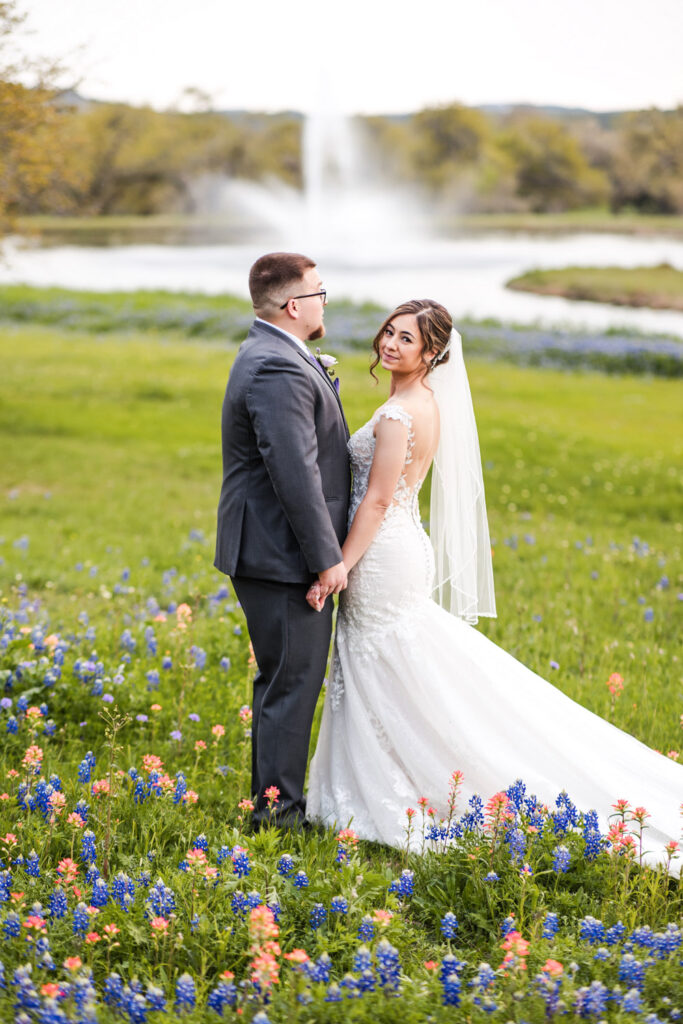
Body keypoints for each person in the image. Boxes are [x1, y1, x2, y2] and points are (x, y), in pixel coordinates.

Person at [306, 298, 682, 869]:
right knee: (389, 666)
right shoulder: (421, 402)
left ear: (432, 353)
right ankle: (382, 777)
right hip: (400, 546)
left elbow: (380, 499)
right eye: (389, 332)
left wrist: (340, 564)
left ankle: (399, 788)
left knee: (382, 661)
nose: (390, 344)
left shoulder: (399, 414)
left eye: (407, 340)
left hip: (381, 552)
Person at [214, 252, 350, 828]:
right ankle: (278, 820)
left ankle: (273, 808)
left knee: (283, 682)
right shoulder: (278, 366)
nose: (324, 301)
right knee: (291, 685)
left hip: (273, 549)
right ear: (295, 305)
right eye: (320, 292)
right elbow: (293, 473)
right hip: (282, 555)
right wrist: (326, 561)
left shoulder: (275, 352)